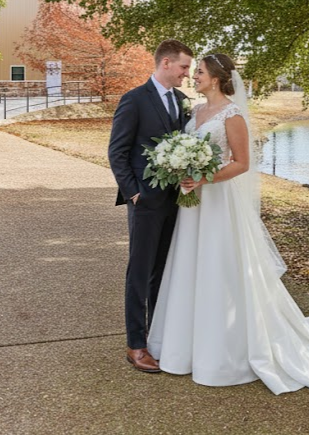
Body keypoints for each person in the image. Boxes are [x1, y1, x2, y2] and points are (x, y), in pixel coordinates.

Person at [147, 54, 309, 396]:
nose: (193, 76)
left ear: (215, 78)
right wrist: (182, 172)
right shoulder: (195, 112)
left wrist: (203, 178)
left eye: (199, 71)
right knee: (189, 266)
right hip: (193, 205)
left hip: (218, 202)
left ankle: (222, 353)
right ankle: (185, 349)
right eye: (193, 71)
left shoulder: (233, 114)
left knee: (219, 268)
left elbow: (242, 164)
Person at [108, 39, 194, 373]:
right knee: (140, 273)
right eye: (185, 67)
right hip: (145, 201)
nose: (187, 73)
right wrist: (134, 194)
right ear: (167, 63)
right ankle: (136, 345)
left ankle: (158, 337)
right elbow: (117, 151)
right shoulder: (134, 99)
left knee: (164, 272)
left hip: (177, 202)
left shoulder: (184, 102)